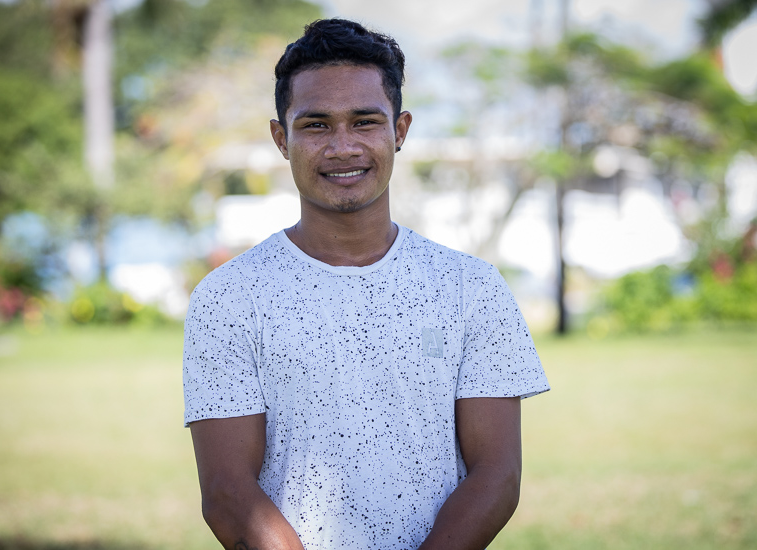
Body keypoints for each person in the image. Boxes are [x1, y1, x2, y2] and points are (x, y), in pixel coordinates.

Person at [183, 18, 549, 550]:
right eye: (316, 125)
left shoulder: (470, 288)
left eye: (364, 122)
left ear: (399, 131)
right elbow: (227, 493)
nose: (342, 146)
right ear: (281, 138)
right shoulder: (228, 298)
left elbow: (497, 476)